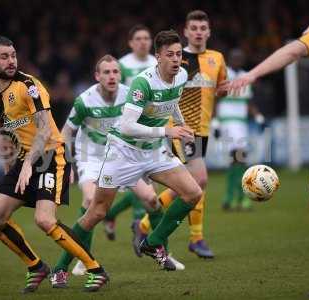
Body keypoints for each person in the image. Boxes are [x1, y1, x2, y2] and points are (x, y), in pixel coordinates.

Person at [58, 30, 202, 273]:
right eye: (170, 55)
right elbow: (126, 126)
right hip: (121, 153)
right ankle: (62, 267)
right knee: (96, 211)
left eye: (179, 54)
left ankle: (155, 245)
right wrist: (167, 132)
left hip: (152, 151)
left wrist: (179, 122)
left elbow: (172, 100)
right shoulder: (141, 83)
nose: (176, 59)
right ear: (158, 57)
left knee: (190, 193)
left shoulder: (181, 76)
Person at [0, 36, 108, 293]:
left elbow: (44, 130)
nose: (11, 61)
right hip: (22, 161)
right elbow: (7, 136)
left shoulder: (29, 85)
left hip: (49, 157)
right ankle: (36, 266)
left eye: (13, 55)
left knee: (44, 220)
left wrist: (29, 162)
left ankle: (95, 269)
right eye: (4, 57)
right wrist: (11, 168)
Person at [224, 19, 309, 297]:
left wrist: (253, 75)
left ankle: (235, 197)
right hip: (229, 128)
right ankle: (232, 198)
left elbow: (293, 51)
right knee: (236, 162)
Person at [136, 10, 227, 258]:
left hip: (203, 129)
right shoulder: (177, 59)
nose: (198, 32)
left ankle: (144, 224)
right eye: (194, 28)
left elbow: (220, 90)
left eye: (202, 28)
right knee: (200, 179)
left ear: (209, 31)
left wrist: (225, 92)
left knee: (184, 187)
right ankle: (196, 238)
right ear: (186, 31)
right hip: (182, 130)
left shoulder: (217, 59)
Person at [103, 25, 158, 241]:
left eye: (146, 38)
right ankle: (138, 223)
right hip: (129, 128)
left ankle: (112, 215)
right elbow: (116, 94)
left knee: (144, 183)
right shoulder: (123, 65)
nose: (143, 42)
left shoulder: (156, 63)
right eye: (139, 38)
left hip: (151, 126)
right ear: (131, 42)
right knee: (139, 179)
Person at [216, 48, 264, 211]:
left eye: (240, 58)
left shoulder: (245, 76)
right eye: (235, 58)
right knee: (238, 158)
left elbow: (248, 102)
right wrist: (214, 121)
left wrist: (258, 116)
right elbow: (215, 99)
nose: (238, 60)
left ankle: (231, 198)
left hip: (241, 123)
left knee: (237, 159)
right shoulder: (224, 75)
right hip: (227, 122)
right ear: (230, 59)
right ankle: (239, 197)